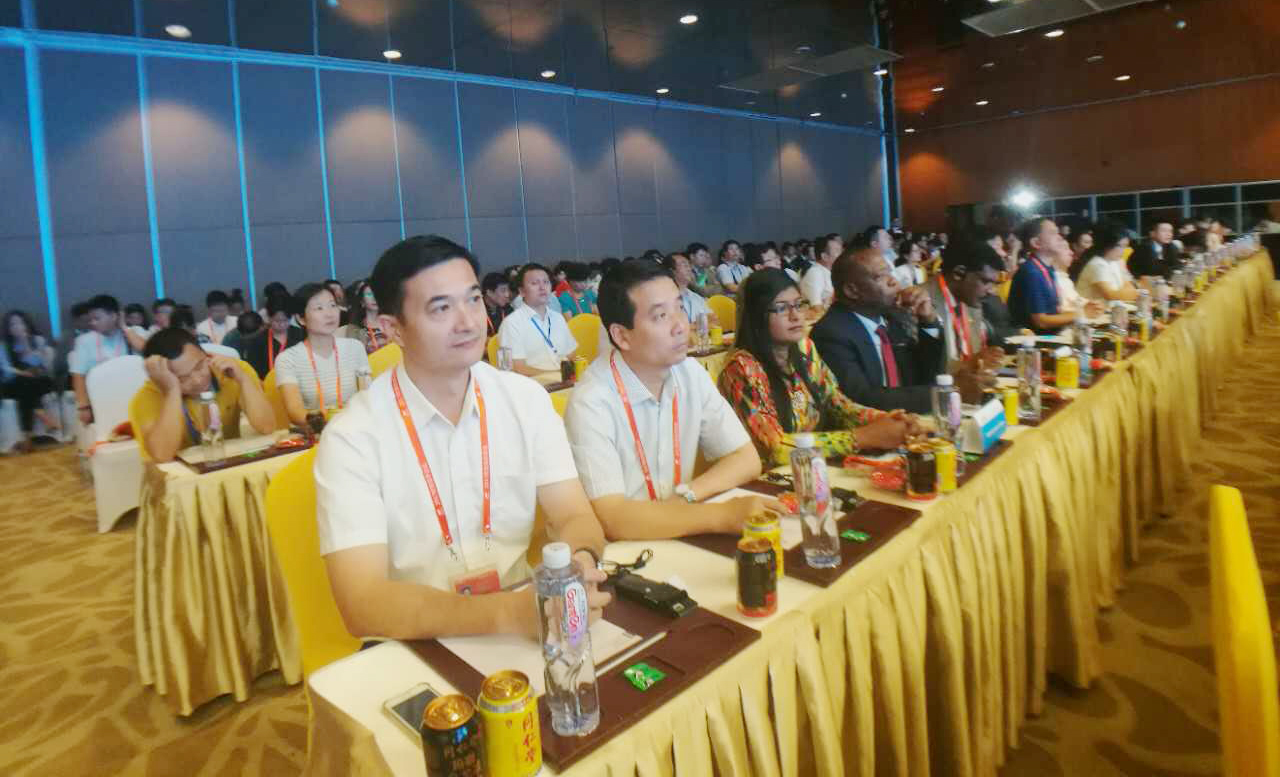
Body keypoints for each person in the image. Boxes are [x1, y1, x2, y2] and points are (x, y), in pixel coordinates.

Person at [313, 234, 609, 641]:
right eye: (441, 308)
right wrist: (508, 614)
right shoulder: (353, 438)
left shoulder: (524, 400)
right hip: (419, 641)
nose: (468, 322)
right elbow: (363, 604)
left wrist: (575, 569)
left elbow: (576, 516)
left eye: (472, 299)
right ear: (393, 329)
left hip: (529, 617)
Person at [564, 261, 773, 540]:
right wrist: (721, 516)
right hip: (627, 549)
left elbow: (746, 459)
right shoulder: (591, 401)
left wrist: (687, 496)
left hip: (683, 530)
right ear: (622, 335)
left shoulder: (690, 372)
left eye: (680, 308)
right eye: (661, 316)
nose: (680, 326)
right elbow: (612, 519)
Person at [718, 270, 915, 466]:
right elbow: (775, 448)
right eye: (781, 308)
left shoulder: (804, 349)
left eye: (798, 304)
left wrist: (887, 420)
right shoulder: (742, 368)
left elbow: (837, 405)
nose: (795, 316)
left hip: (814, 467)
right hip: (769, 477)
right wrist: (861, 438)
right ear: (756, 317)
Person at [810, 248, 945, 414]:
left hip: (911, 419)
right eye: (881, 276)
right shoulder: (831, 332)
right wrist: (936, 396)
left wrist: (928, 321)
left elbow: (928, 374)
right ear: (852, 290)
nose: (893, 281)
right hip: (873, 424)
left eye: (890, 272)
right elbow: (861, 398)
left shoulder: (894, 316)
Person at [133, 328, 275, 462]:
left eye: (199, 366)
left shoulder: (232, 370)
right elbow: (162, 455)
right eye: (182, 378)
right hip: (178, 474)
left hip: (225, 462)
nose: (197, 380)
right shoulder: (147, 397)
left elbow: (267, 427)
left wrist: (243, 379)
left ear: (206, 355)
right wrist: (172, 391)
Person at [274, 283, 370, 426]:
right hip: (317, 431)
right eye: (319, 308)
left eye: (332, 305)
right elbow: (295, 412)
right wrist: (329, 421)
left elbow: (366, 395)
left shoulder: (355, 347)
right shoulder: (288, 359)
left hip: (356, 427)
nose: (329, 314)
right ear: (301, 319)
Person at [69, 295, 147, 428]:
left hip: (134, 395)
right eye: (91, 319)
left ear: (114, 316)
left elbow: (147, 350)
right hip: (100, 398)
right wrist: (83, 406)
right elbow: (78, 375)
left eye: (97, 318)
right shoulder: (84, 341)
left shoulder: (133, 332)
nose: (92, 323)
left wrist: (124, 327)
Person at [926, 240, 1005, 371]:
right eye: (985, 281)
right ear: (959, 273)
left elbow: (976, 357)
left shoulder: (971, 301)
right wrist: (969, 364)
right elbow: (925, 371)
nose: (991, 290)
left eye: (994, 283)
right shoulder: (921, 302)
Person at [497, 263, 578, 376]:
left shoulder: (558, 318)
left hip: (564, 381)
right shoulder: (509, 323)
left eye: (546, 282)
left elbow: (571, 353)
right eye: (534, 283)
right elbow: (508, 368)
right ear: (522, 291)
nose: (542, 287)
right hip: (531, 385)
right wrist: (557, 375)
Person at [1006, 217, 1077, 334]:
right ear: (1036, 243)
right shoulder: (1031, 272)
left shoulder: (1047, 269)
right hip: (1033, 340)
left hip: (1049, 336)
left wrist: (1081, 312)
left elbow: (1054, 312)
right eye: (1053, 233)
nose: (1059, 237)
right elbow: (1041, 321)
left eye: (1058, 232)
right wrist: (1080, 314)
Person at [2, 310, 58, 450]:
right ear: (8, 328)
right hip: (14, 383)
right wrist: (22, 373)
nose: (17, 327)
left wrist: (26, 344)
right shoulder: (4, 346)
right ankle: (42, 415)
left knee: (28, 386)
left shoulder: (38, 340)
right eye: (12, 324)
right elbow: (6, 369)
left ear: (26, 324)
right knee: (25, 384)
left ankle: (27, 437)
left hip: (39, 380)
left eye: (20, 323)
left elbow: (43, 365)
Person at [244, 293, 305, 379]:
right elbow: (253, 371)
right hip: (267, 383)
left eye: (285, 320)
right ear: (268, 317)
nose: (282, 324)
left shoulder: (301, 335)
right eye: (277, 321)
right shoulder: (257, 341)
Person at [1076, 223, 1139, 303]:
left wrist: (1129, 293)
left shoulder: (1115, 262)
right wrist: (1134, 293)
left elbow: (1128, 285)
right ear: (1107, 244)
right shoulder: (1097, 264)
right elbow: (1110, 295)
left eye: (1125, 246)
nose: (1123, 250)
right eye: (1120, 246)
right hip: (1091, 310)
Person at [664, 252, 718, 329]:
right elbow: (669, 328)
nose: (689, 269)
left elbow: (713, 319)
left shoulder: (695, 297)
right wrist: (697, 325)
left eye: (689, 265)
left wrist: (695, 325)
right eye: (684, 265)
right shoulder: (664, 299)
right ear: (672, 271)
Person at [341, 280, 389, 354]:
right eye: (369, 294)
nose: (374, 298)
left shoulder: (392, 321)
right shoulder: (356, 329)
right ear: (362, 301)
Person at [800, 233, 842, 307]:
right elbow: (816, 307)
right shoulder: (815, 273)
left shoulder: (834, 272)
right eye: (837, 251)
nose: (842, 254)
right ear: (824, 257)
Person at [481, 272, 513, 336]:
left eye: (508, 290)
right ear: (489, 293)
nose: (507, 295)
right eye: (503, 291)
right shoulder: (477, 312)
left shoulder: (507, 308)